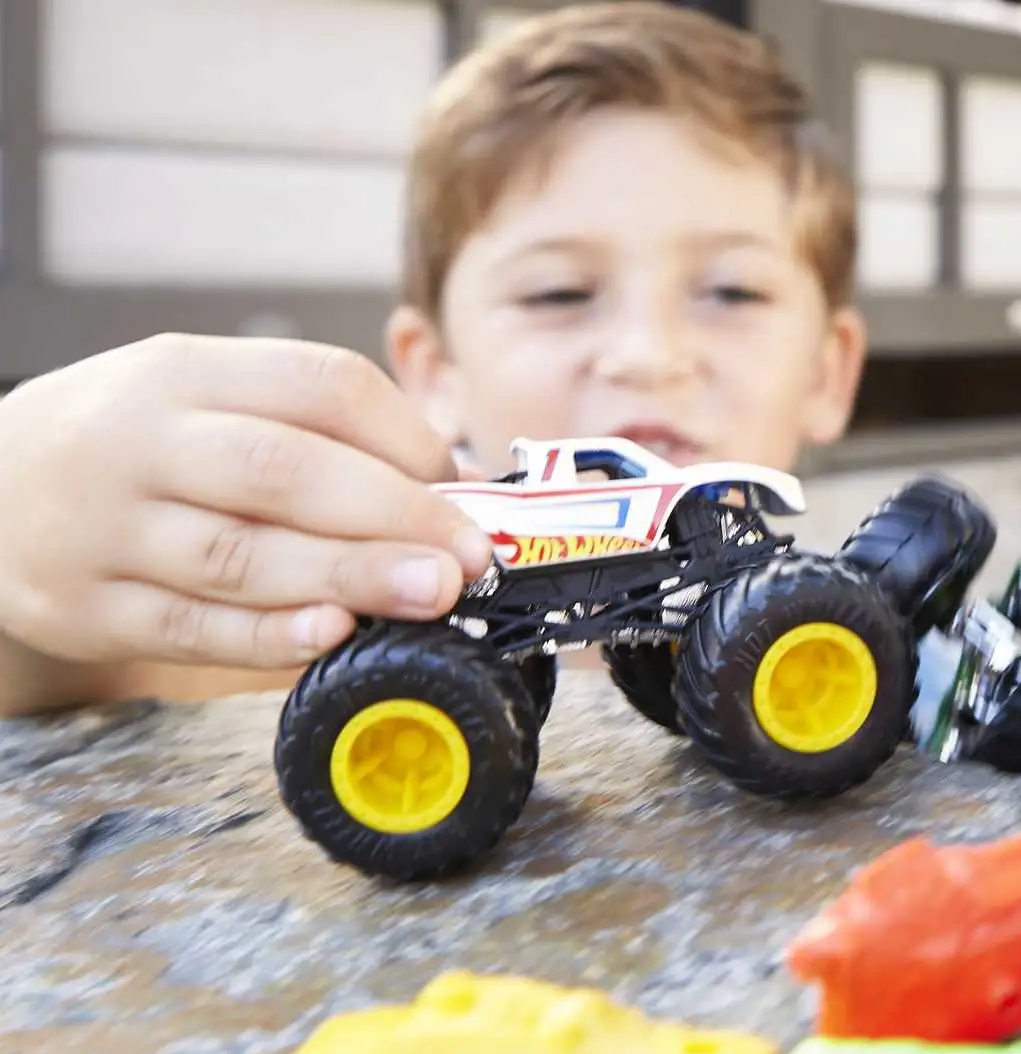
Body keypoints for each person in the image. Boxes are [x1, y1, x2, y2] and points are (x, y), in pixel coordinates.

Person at [0, 0, 867, 717]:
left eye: (732, 291)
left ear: (828, 372)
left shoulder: (845, 646)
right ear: (432, 373)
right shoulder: (348, 601)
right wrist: (29, 539)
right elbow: (67, 675)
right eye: (559, 292)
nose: (647, 354)